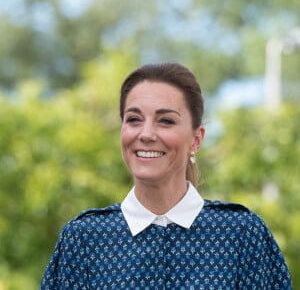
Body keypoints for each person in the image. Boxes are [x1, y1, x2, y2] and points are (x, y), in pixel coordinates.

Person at [40, 62, 292, 289]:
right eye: (134, 119)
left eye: (166, 121)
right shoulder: (84, 239)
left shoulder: (243, 235)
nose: (146, 134)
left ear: (197, 139)